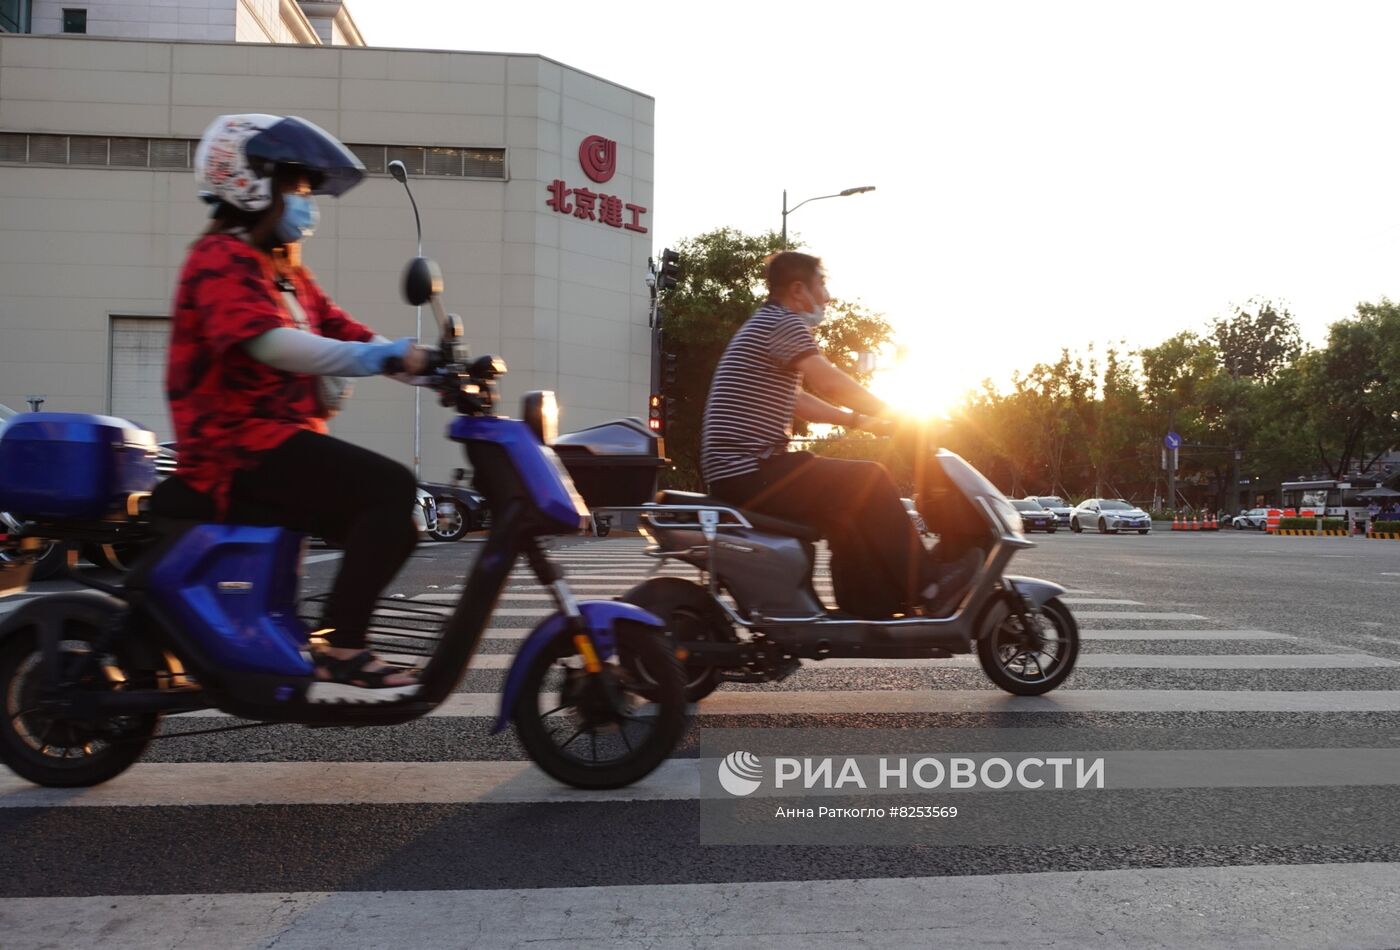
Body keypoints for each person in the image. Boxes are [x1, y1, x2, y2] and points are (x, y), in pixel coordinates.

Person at [153, 114, 429, 691]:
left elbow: (342, 331)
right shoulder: (217, 259)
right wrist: (381, 359)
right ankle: (345, 647)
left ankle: (324, 639)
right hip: (237, 452)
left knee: (397, 523)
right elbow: (270, 343)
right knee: (390, 486)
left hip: (277, 444)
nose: (307, 204)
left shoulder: (284, 270)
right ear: (251, 183)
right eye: (298, 188)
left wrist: (432, 369)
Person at [700, 251, 974, 619]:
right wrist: (898, 412)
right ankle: (931, 585)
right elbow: (829, 381)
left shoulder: (766, 324)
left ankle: (868, 606)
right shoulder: (783, 323)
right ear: (799, 290)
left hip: (743, 470)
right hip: (750, 469)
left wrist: (858, 420)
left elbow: (798, 401)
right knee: (871, 478)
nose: (827, 297)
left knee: (848, 509)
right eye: (822, 285)